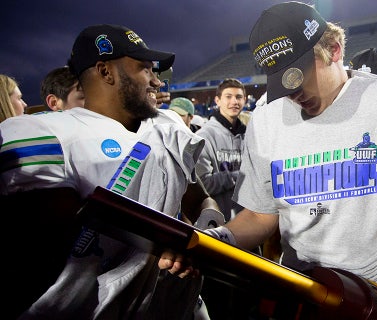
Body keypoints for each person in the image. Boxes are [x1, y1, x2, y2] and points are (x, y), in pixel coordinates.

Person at [202, 1, 377, 316]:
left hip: (373, 300)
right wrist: (215, 238)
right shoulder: (267, 120)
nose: (292, 94)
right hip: (299, 294)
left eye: (298, 77)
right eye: (279, 81)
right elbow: (260, 215)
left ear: (334, 50)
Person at [1, 24, 218, 319]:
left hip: (180, 307)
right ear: (105, 72)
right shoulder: (47, 132)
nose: (156, 81)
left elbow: (200, 201)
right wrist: (168, 240)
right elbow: (35, 250)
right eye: (145, 69)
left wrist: (201, 235)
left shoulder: (167, 127)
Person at [196, 77, 247, 222]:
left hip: (249, 222)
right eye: (228, 97)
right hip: (218, 223)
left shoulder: (249, 135)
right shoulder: (204, 136)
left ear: (244, 100)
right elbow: (202, 184)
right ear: (217, 100)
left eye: (238, 97)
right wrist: (240, 176)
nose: (234, 102)